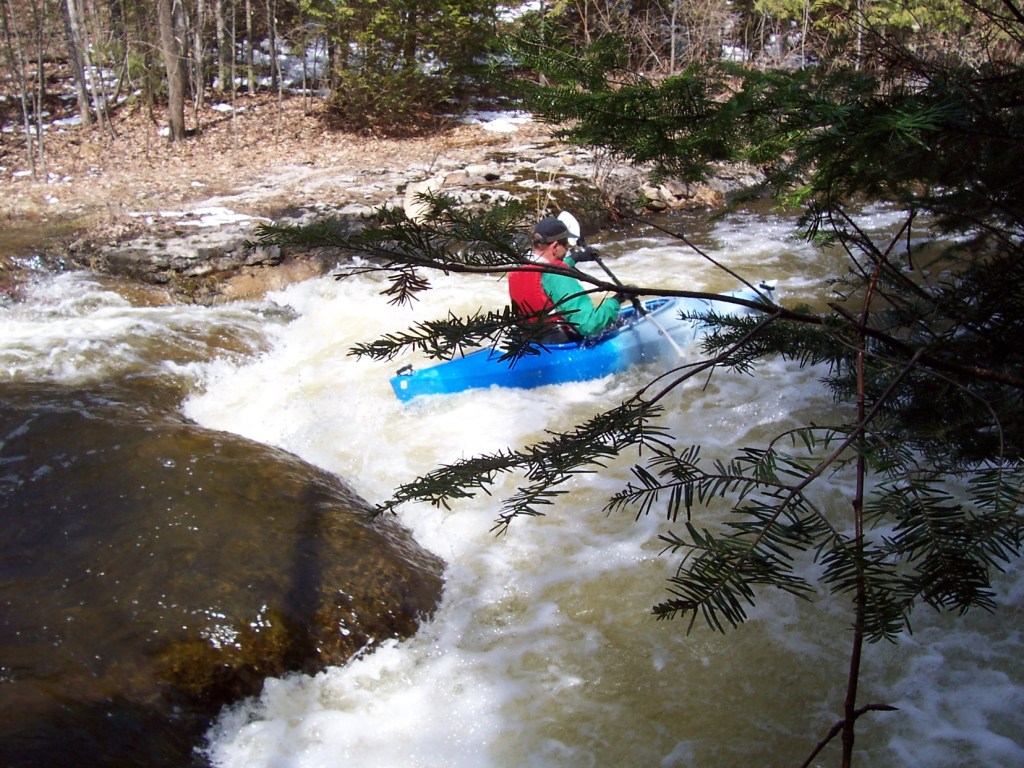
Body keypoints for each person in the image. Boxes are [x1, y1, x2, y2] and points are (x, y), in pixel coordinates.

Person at [508, 216, 622, 342]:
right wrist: (617, 300)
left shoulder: (517, 268)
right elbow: (589, 325)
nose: (567, 249)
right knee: (617, 322)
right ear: (555, 246)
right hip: (558, 344)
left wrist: (575, 258)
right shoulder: (558, 275)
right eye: (566, 245)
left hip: (528, 341)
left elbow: (544, 273)